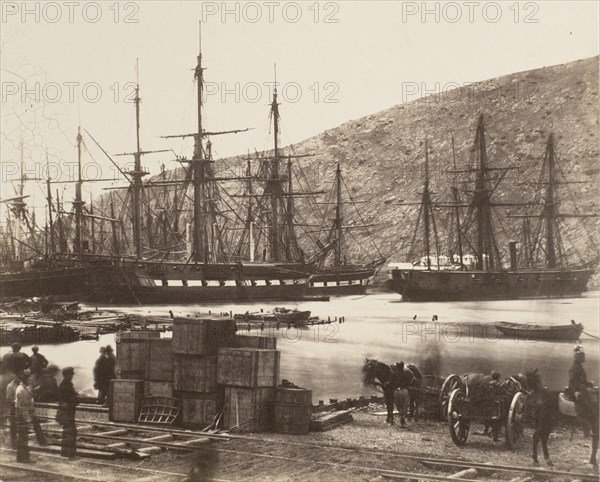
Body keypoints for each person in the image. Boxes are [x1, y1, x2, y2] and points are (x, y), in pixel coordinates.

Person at [56, 366, 79, 458]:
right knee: (71, 431)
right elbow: (72, 400)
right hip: (68, 412)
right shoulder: (67, 385)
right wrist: (77, 399)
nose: (72, 376)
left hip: (66, 412)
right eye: (71, 374)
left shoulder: (64, 384)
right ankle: (70, 454)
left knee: (66, 432)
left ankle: (65, 452)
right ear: (67, 375)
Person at [568, 345, 594, 414]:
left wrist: (589, 384)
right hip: (577, 392)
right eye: (582, 356)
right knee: (590, 409)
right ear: (577, 357)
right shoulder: (576, 367)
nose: (584, 357)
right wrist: (576, 391)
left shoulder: (578, 366)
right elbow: (572, 381)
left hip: (579, 390)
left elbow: (581, 380)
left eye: (583, 355)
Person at [5, 375, 20, 449]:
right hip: (13, 409)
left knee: (18, 427)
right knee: (13, 427)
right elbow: (8, 399)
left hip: (19, 408)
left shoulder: (19, 384)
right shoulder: (10, 386)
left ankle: (17, 443)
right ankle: (13, 444)